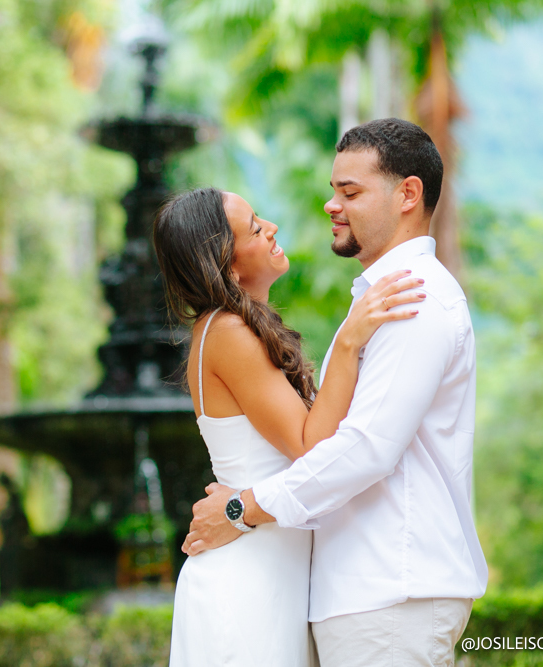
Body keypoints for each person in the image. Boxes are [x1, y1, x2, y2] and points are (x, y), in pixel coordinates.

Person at [182, 118, 489, 667]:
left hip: (391, 589)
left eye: (350, 192)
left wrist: (242, 506)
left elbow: (365, 448)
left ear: (407, 195)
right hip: (360, 589)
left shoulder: (410, 299)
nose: (331, 205)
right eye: (333, 191)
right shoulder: (379, 301)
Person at [152, 185, 426, 667]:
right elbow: (309, 444)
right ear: (228, 265)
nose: (272, 227)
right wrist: (349, 341)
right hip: (249, 582)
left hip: (269, 570)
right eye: (256, 228)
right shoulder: (229, 332)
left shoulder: (229, 328)